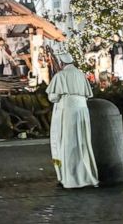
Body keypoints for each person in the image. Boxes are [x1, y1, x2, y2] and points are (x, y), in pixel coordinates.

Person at [46, 51, 99, 188]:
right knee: (83, 141)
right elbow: (87, 94)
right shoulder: (81, 75)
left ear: (62, 63)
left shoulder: (61, 75)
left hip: (67, 112)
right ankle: (87, 175)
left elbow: (53, 97)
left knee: (67, 142)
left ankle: (69, 177)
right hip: (82, 111)